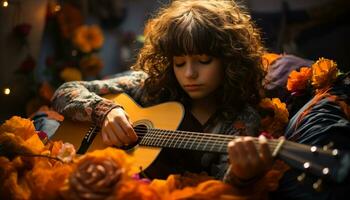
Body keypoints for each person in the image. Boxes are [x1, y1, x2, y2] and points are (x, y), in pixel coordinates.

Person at [52, 0, 273, 184]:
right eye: (179, 62)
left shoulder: (241, 120)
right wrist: (106, 112)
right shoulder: (151, 85)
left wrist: (241, 174)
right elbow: (65, 91)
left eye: (203, 61)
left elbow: (220, 189)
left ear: (230, 60)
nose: (189, 73)